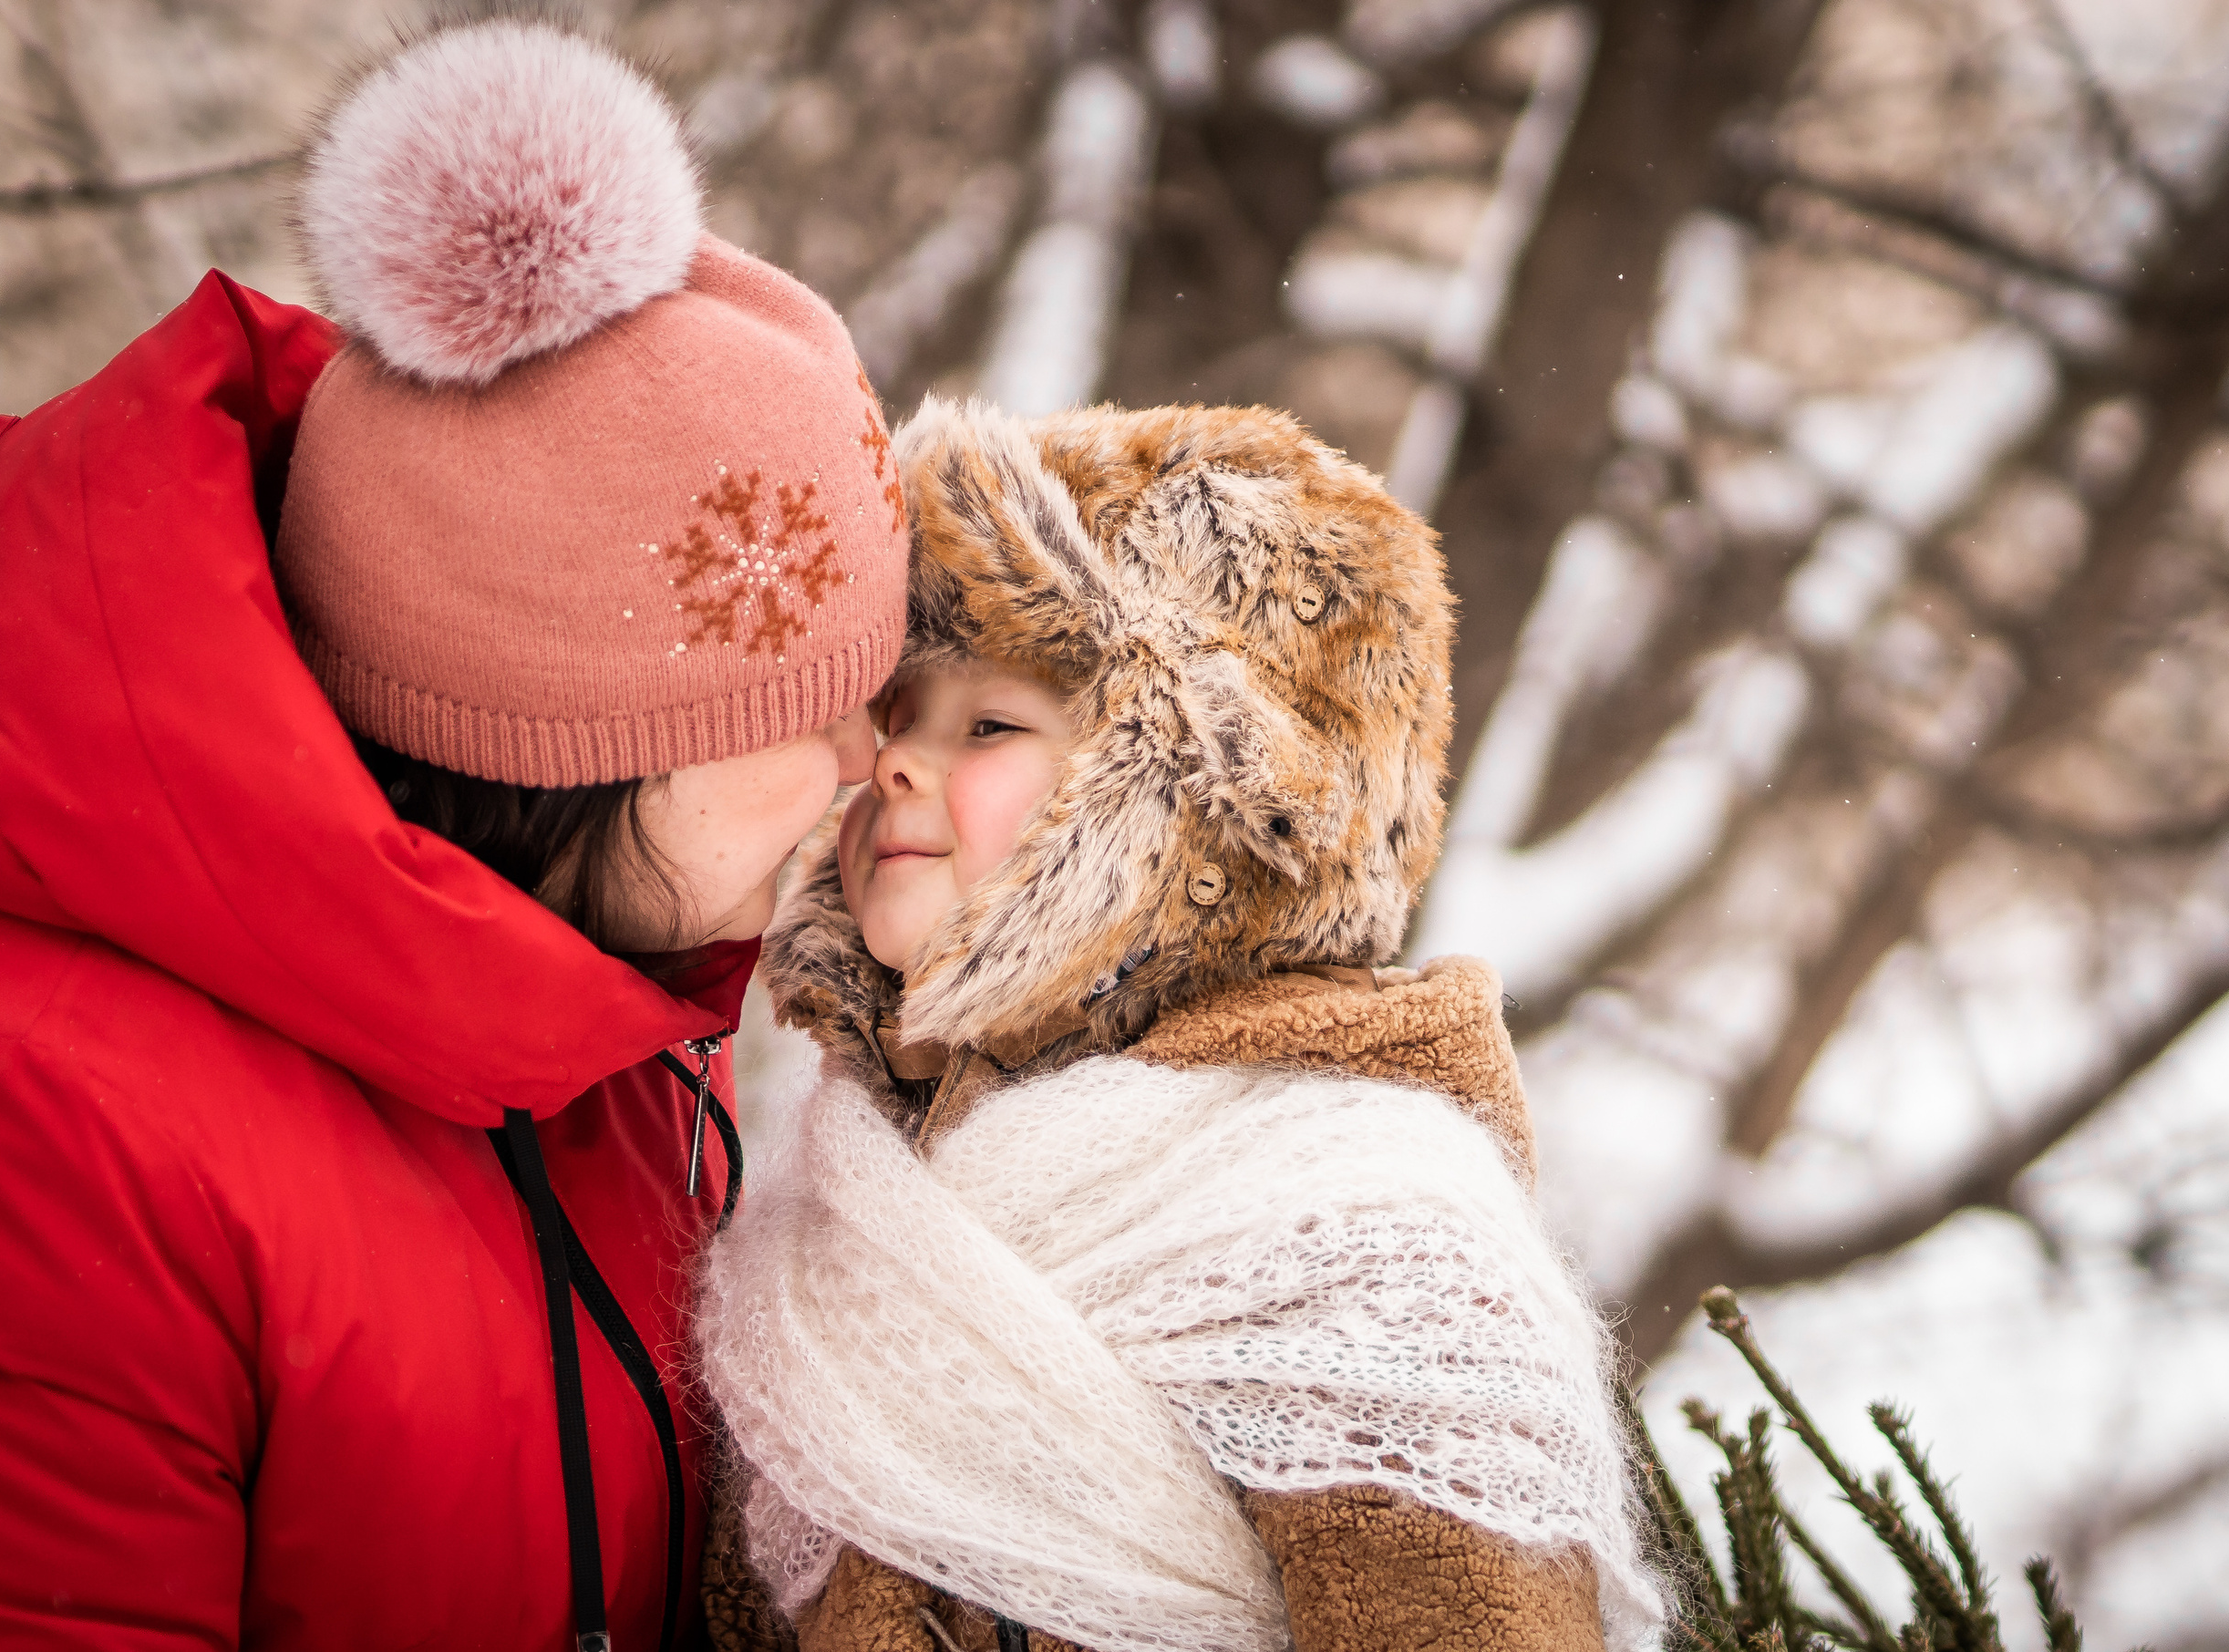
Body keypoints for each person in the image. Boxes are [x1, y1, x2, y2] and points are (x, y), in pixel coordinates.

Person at [0, 21, 904, 1651]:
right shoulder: (45, 1137)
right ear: (573, 750)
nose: (870, 767)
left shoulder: (610, 1011)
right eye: (806, 710)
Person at [697, 399, 1666, 1652]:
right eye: (897, 716)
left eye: (987, 724)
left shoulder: (1361, 1239)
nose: (892, 764)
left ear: (1185, 804)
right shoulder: (829, 1197)